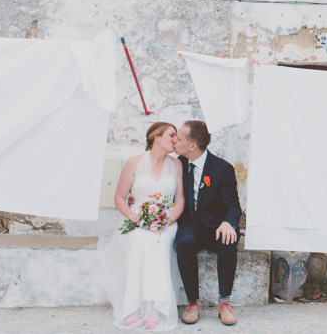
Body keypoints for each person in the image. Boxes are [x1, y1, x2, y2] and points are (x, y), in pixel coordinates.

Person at [98, 122, 185, 330]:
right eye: (172, 135)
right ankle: (132, 308)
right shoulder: (134, 162)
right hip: (135, 217)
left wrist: (168, 220)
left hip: (166, 220)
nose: (176, 140)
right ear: (156, 137)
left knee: (160, 241)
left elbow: (180, 200)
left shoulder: (177, 165)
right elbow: (119, 197)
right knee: (139, 241)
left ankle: (155, 308)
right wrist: (133, 216)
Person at [173, 120, 242, 326]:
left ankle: (224, 303)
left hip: (215, 226)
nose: (174, 140)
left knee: (229, 241)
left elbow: (233, 205)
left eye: (178, 137)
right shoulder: (178, 164)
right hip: (190, 225)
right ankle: (193, 302)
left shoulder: (222, 168)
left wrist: (228, 222)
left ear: (192, 145)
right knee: (184, 244)